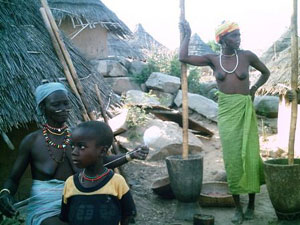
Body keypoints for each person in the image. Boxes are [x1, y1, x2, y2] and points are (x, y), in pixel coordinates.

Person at [0, 82, 148, 225]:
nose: (63, 108)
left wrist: (131, 155)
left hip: (80, 200)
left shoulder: (77, 136)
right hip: (45, 208)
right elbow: (13, 179)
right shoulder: (32, 141)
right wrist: (5, 194)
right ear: (43, 107)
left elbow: (102, 160)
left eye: (65, 103)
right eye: (56, 105)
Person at [179, 21, 270, 224]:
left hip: (245, 109)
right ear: (222, 39)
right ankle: (238, 207)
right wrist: (187, 35)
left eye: (239, 35)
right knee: (232, 159)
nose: (239, 39)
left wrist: (253, 89)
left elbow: (266, 72)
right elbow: (183, 57)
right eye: (234, 36)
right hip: (227, 113)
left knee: (250, 154)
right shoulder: (213, 59)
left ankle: (252, 204)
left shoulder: (247, 56)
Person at [60, 121, 136, 225]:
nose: (74, 152)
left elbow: (128, 216)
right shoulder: (70, 183)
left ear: (102, 151)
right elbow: (66, 218)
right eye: (73, 147)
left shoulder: (117, 182)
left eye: (81, 147)